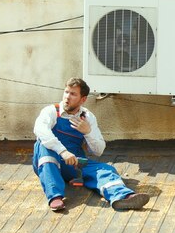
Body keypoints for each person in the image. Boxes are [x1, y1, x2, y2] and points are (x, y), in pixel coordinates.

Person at [32, 77, 149, 211]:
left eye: (73, 94)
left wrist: (88, 132)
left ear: (83, 99)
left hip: (73, 163)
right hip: (49, 163)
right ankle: (55, 196)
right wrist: (62, 152)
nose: (67, 97)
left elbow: (98, 150)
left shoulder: (88, 117)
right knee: (43, 146)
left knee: (106, 169)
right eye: (66, 92)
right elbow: (40, 130)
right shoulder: (51, 111)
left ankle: (123, 197)